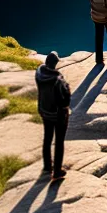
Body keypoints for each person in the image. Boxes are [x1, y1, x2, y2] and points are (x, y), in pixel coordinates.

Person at [35, 51, 71, 180]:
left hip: (44, 111)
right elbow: (64, 99)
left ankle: (47, 167)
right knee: (59, 142)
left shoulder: (39, 74)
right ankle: (57, 171)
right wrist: (67, 88)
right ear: (55, 63)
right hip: (58, 115)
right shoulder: (57, 79)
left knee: (47, 138)